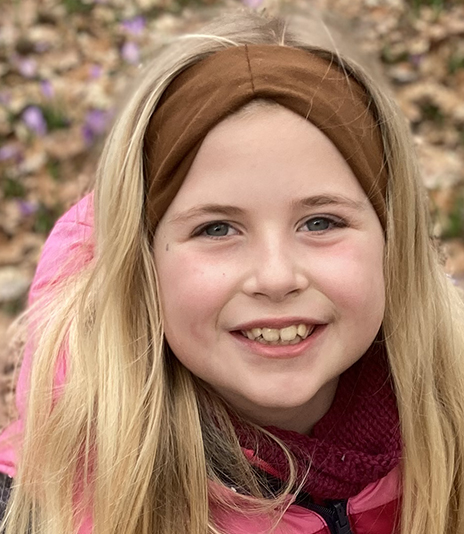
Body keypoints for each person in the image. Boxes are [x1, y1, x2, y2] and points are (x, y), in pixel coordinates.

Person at [0, 8, 464, 534]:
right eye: (217, 229)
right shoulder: (40, 509)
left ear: (393, 243)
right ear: (142, 262)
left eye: (321, 222)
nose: (275, 277)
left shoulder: (450, 435)